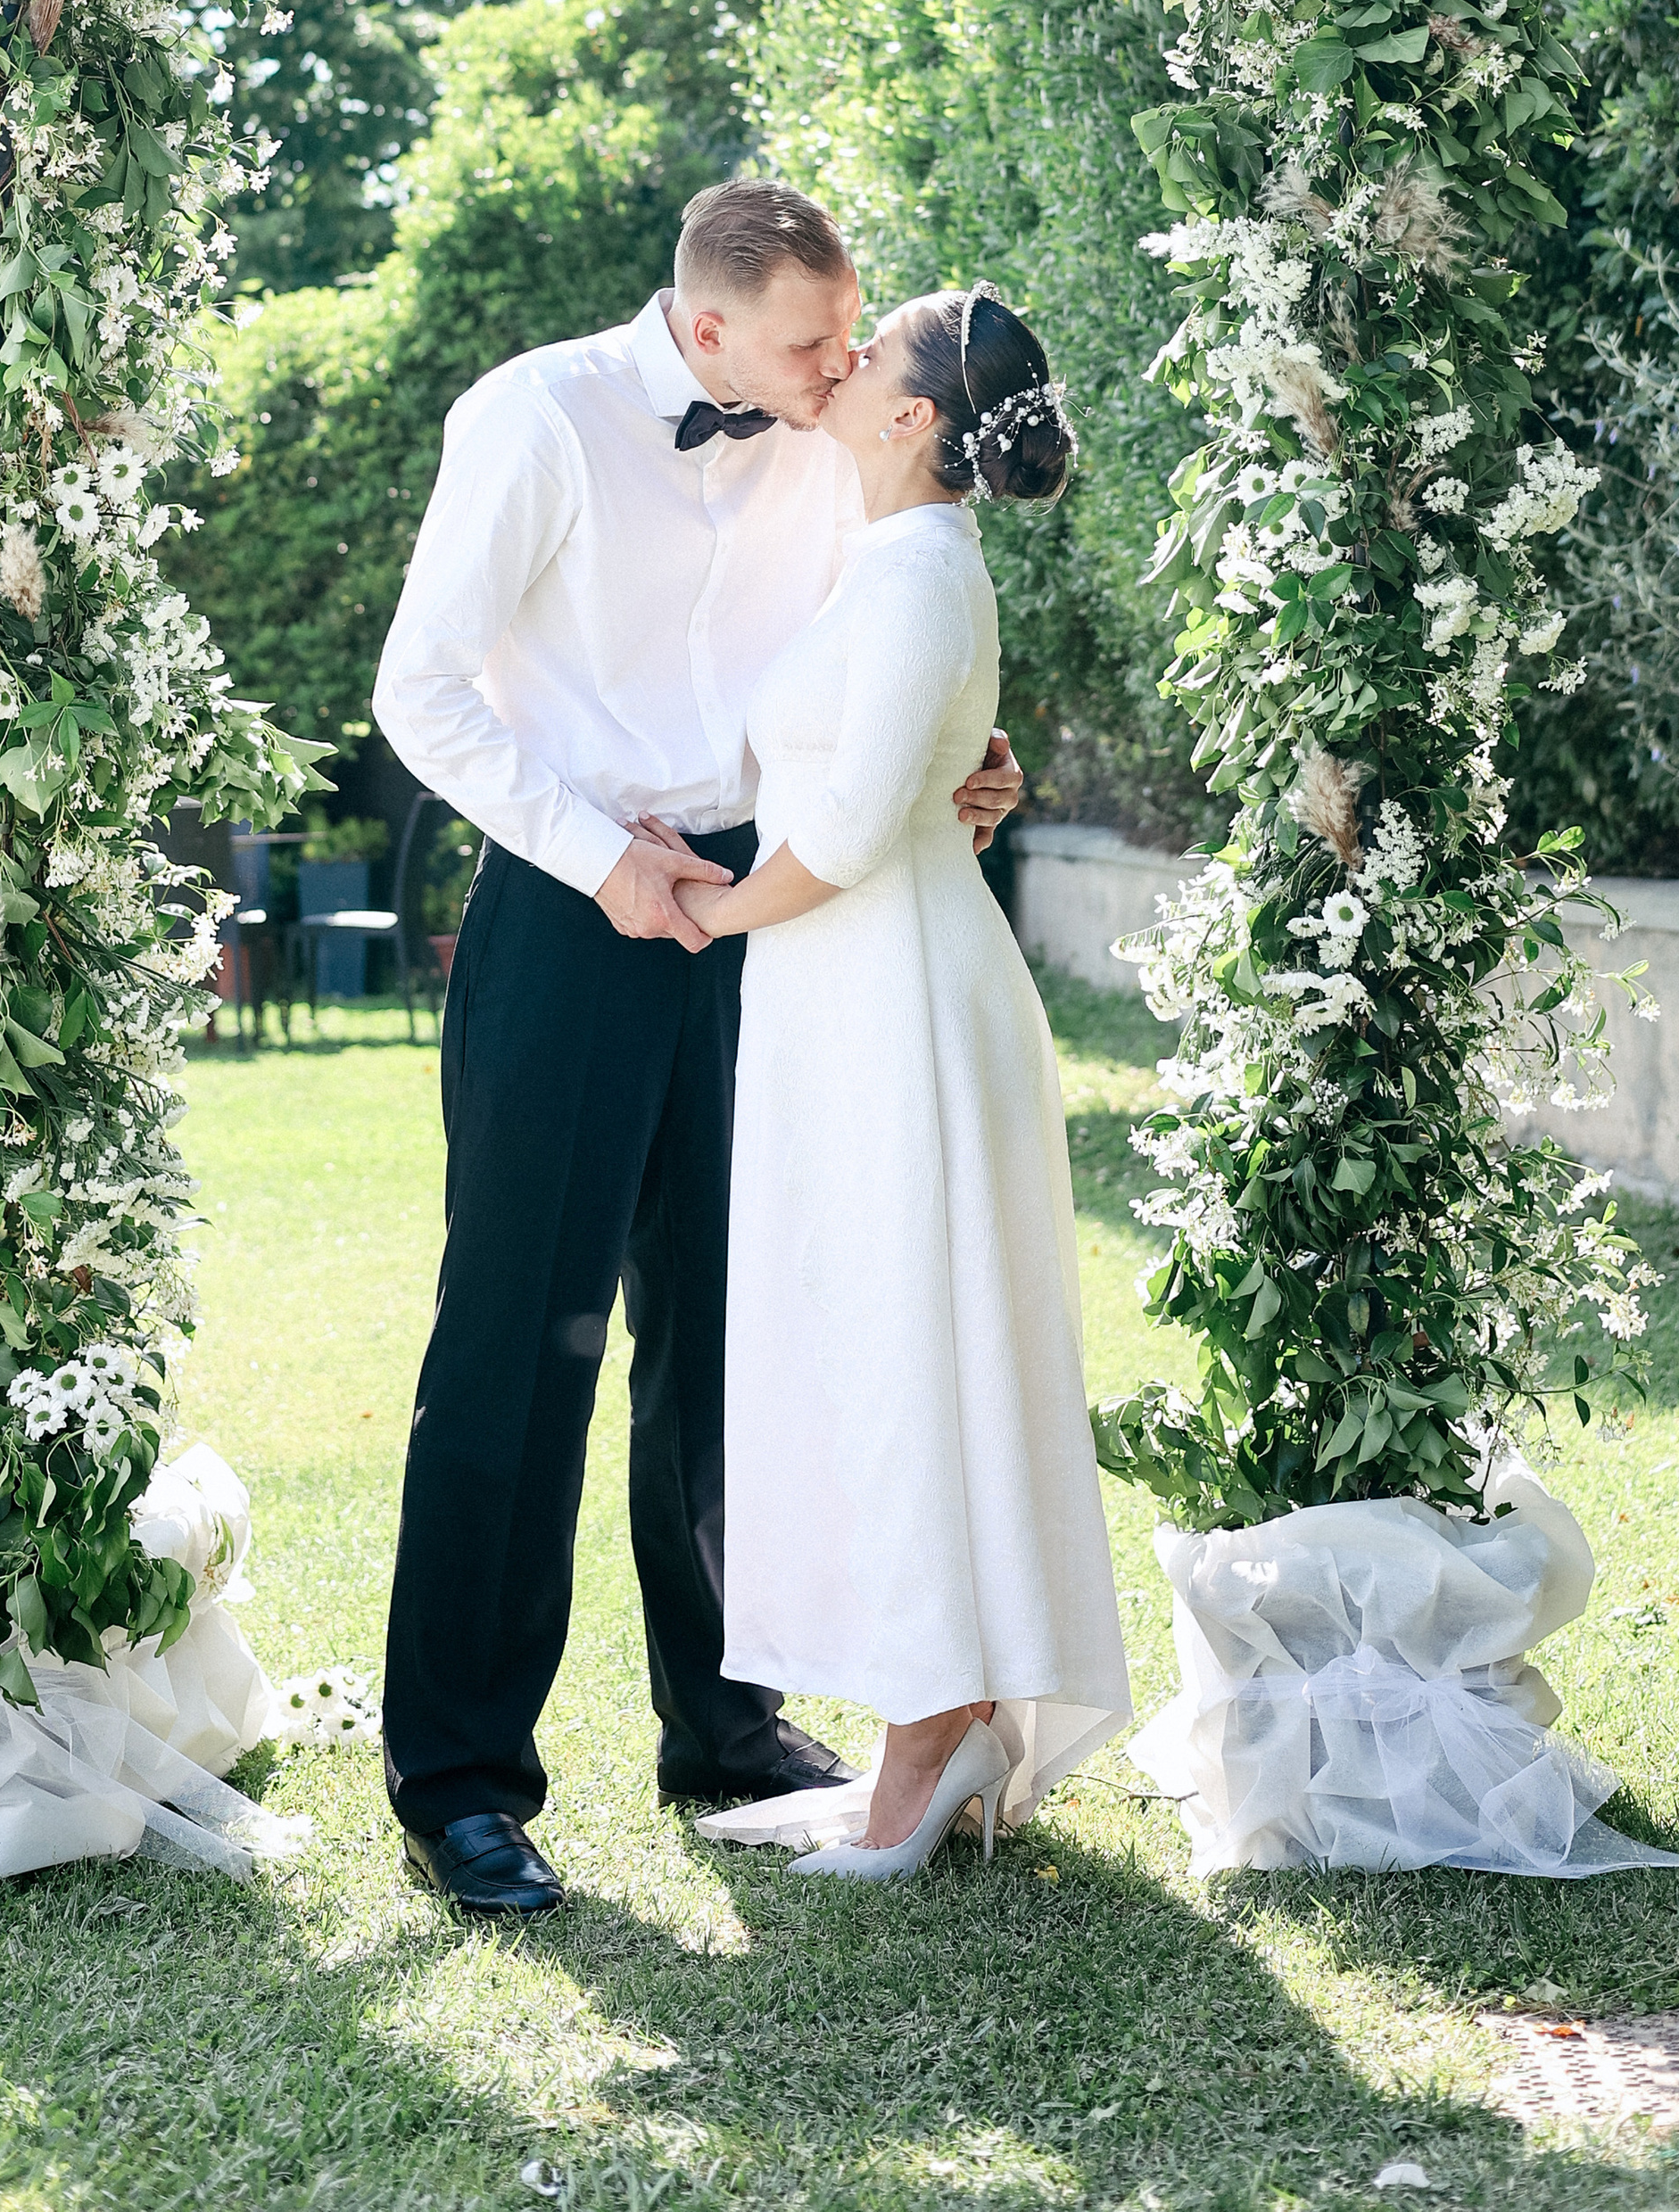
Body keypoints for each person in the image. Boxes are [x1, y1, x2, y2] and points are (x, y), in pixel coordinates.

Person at [370, 183, 1025, 1916]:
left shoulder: (827, 428)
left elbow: (873, 638)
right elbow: (419, 691)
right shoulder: (533, 417)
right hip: (572, 898)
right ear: (707, 325)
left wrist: (962, 754)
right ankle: (459, 1783)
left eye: (846, 338)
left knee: (730, 1337)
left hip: (774, 913)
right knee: (517, 1341)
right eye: (811, 342)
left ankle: (723, 1725)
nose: (836, 371)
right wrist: (602, 858)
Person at [680, 284, 1131, 1882]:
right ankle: (926, 1710)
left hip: (899, 1008)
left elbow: (861, 822)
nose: (843, 361)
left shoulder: (928, 571)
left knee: (905, 1350)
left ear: (916, 416)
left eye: (869, 353)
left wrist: (705, 905)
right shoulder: (882, 551)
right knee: (864, 1351)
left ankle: (932, 1738)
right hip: (838, 1004)